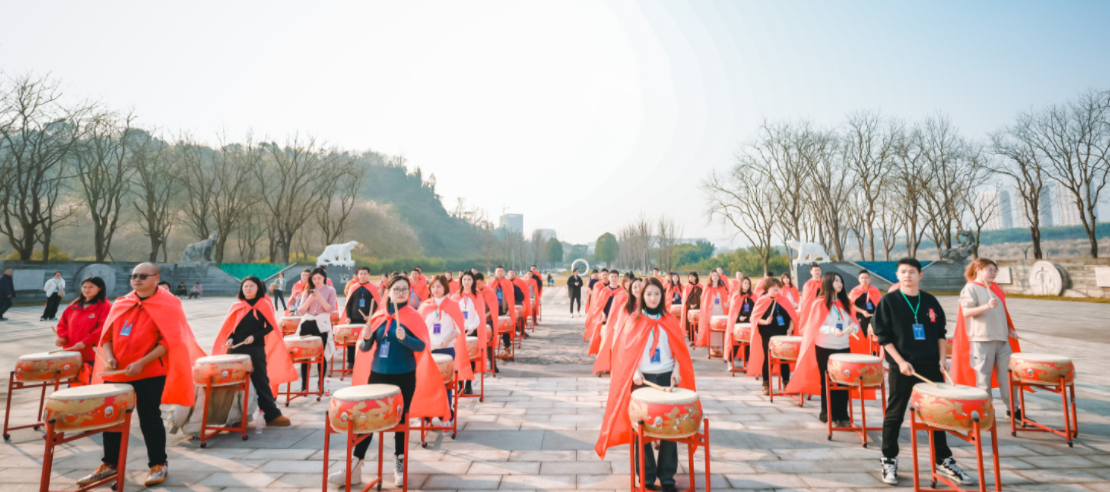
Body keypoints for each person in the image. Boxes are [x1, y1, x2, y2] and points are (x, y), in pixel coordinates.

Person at [79, 263, 204, 488]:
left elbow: (170, 341)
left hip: (149, 372)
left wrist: (141, 363)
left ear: (156, 278)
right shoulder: (122, 302)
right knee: (111, 419)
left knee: (149, 418)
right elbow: (106, 337)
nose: (136, 279)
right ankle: (109, 464)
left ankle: (158, 464)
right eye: (133, 275)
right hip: (117, 372)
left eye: (142, 276)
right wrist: (110, 358)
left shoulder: (170, 304)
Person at [332, 275, 451, 487]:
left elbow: (422, 346)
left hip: (404, 376)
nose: (401, 292)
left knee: (401, 421)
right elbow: (365, 348)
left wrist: (406, 338)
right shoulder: (379, 315)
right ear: (389, 291)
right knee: (366, 418)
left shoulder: (413, 316)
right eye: (397, 289)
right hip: (377, 375)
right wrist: (366, 337)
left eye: (405, 289)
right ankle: (355, 466)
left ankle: (400, 464)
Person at [872, 258, 971, 486]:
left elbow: (940, 332)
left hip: (931, 366)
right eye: (903, 272)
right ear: (897, 275)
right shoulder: (889, 301)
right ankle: (889, 458)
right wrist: (900, 362)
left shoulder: (930, 301)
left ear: (920, 275)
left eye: (912, 272)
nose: (907, 275)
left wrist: (942, 359)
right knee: (895, 413)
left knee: (937, 414)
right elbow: (883, 337)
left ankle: (943, 460)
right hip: (903, 367)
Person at [595, 277, 694, 492]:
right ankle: (646, 475)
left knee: (671, 427)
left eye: (656, 294)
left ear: (662, 296)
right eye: (648, 294)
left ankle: (667, 476)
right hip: (642, 380)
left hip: (667, 377)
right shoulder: (634, 319)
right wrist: (634, 372)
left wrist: (677, 369)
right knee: (642, 429)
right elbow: (625, 352)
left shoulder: (670, 319)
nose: (652, 298)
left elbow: (679, 348)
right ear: (642, 296)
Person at [211, 276, 296, 427]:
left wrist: (254, 337)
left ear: (258, 288)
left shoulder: (264, 304)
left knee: (261, 381)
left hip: (255, 348)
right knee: (233, 382)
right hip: (235, 349)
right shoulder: (236, 305)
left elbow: (270, 326)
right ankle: (233, 417)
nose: (248, 288)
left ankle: (272, 415)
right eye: (245, 286)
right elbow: (231, 327)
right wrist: (230, 338)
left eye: (251, 286)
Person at [785, 272, 865, 427]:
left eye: (841, 281)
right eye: (836, 281)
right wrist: (832, 330)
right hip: (825, 348)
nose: (840, 283)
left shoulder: (845, 303)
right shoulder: (819, 303)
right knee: (827, 381)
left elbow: (852, 322)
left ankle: (842, 415)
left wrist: (853, 329)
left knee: (843, 382)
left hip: (844, 348)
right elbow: (815, 326)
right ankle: (827, 413)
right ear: (828, 283)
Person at [951, 258, 1022, 421]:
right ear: (978, 269)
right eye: (990, 270)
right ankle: (985, 412)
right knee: (983, 379)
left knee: (1008, 376)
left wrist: (1009, 328)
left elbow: (1002, 312)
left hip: (1002, 339)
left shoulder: (995, 288)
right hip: (981, 339)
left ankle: (1014, 410)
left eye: (995, 270)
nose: (993, 273)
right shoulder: (970, 288)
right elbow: (966, 312)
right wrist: (987, 306)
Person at [419, 275, 474, 426]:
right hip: (428, 350)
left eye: (439, 286)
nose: (435, 289)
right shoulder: (425, 305)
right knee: (426, 384)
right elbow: (419, 327)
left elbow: (459, 328)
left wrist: (448, 340)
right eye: (433, 286)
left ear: (445, 287)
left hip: (446, 350)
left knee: (445, 385)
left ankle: (446, 416)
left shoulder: (453, 305)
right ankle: (426, 416)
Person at [55, 276, 111, 385]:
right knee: (73, 383)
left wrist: (85, 342)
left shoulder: (105, 306)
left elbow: (103, 328)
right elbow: (62, 325)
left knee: (88, 384)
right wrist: (62, 338)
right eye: (84, 287)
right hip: (71, 352)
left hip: (91, 353)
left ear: (100, 288)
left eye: (91, 287)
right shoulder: (74, 305)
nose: (86, 290)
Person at [746, 278, 797, 395]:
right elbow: (754, 318)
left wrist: (790, 329)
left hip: (783, 334)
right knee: (768, 358)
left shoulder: (784, 300)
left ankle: (786, 382)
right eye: (773, 286)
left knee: (784, 359)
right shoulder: (762, 300)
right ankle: (766, 384)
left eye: (778, 286)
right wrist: (765, 321)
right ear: (767, 288)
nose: (776, 288)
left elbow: (792, 317)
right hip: (767, 335)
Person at [295, 268, 336, 391]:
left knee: (321, 355)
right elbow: (301, 311)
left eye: (319, 278)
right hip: (307, 323)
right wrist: (310, 299)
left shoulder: (330, 290)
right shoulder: (307, 291)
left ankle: (320, 383)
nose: (316, 281)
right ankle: (304, 385)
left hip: (322, 325)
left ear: (324, 278)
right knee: (304, 356)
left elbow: (330, 309)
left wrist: (321, 298)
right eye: (314, 278)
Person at [594, 276, 642, 375]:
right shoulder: (625, 305)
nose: (637, 289)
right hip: (629, 340)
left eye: (640, 286)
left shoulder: (649, 305)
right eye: (634, 287)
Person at [451, 271, 487, 394]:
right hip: (458, 331)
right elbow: (452, 315)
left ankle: (468, 384)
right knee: (459, 357)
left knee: (470, 357)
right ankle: (460, 383)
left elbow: (479, 315)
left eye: (469, 279)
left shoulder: (477, 296)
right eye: (464, 279)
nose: (466, 282)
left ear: (473, 282)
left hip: (472, 330)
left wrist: (472, 327)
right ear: (461, 281)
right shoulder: (455, 296)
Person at [341, 267, 382, 369]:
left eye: (365, 273)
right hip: (354, 319)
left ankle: (364, 362)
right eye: (361, 274)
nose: (363, 276)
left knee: (366, 341)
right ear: (357, 275)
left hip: (367, 320)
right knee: (351, 342)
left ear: (369, 274)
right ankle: (351, 362)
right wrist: (348, 317)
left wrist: (371, 316)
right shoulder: (353, 287)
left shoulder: (373, 287)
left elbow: (376, 304)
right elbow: (349, 304)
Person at [724, 277, 756, 372]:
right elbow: (733, 311)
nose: (747, 285)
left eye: (748, 283)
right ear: (741, 284)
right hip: (738, 324)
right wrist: (739, 317)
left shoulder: (753, 296)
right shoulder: (736, 296)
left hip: (749, 323)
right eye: (745, 283)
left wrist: (752, 317)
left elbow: (755, 309)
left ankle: (746, 363)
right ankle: (730, 362)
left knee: (748, 344)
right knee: (736, 344)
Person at [486, 266, 517, 356]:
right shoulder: (490, 282)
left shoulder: (508, 283)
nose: (500, 272)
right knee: (491, 329)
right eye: (498, 271)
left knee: (505, 330)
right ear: (495, 272)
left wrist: (509, 309)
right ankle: (490, 349)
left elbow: (511, 297)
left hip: (504, 308)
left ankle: (507, 347)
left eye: (501, 271)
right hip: (492, 309)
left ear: (504, 272)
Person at [694, 271, 730, 348]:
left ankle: (720, 344)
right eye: (713, 275)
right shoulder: (707, 287)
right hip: (711, 311)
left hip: (720, 310)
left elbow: (725, 298)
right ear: (710, 277)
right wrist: (708, 305)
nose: (715, 277)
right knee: (712, 327)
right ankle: (712, 344)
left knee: (720, 326)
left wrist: (726, 303)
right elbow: (704, 300)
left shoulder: (722, 287)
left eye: (717, 275)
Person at [848, 271, 881, 338]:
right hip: (860, 317)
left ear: (869, 279)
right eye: (862, 278)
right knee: (862, 334)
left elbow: (880, 304)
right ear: (859, 279)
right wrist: (862, 311)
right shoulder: (855, 291)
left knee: (875, 334)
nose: (864, 280)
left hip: (874, 316)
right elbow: (851, 305)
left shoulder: (875, 290)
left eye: (866, 278)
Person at [797, 263, 822, 329]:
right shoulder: (808, 284)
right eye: (815, 270)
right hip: (811, 309)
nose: (817, 272)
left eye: (819, 270)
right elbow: (806, 301)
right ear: (811, 272)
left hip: (822, 307)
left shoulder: (824, 282)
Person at [679, 272, 703, 344]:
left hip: (699, 307)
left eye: (692, 277)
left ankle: (699, 340)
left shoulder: (700, 286)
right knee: (690, 324)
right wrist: (690, 305)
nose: (691, 278)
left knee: (699, 324)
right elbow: (685, 298)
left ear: (696, 277)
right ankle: (692, 340)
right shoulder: (686, 286)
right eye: (690, 277)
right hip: (689, 308)